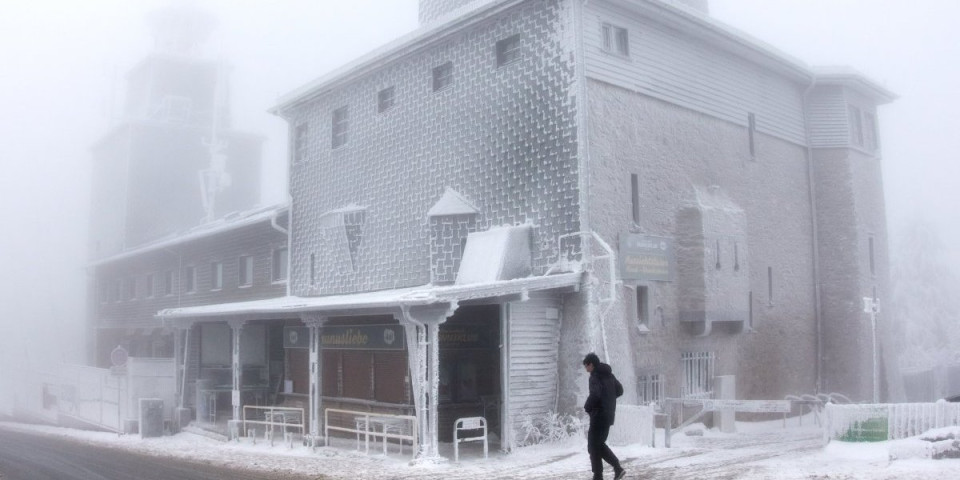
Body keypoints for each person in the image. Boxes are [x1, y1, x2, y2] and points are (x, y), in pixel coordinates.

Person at [583, 352, 625, 480]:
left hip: (598, 416)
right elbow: (620, 390)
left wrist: (587, 406)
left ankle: (600, 475)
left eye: (586, 366)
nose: (586, 369)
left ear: (591, 364)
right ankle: (616, 469)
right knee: (598, 444)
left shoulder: (595, 376)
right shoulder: (609, 374)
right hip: (607, 416)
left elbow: (595, 394)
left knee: (593, 445)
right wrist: (608, 399)